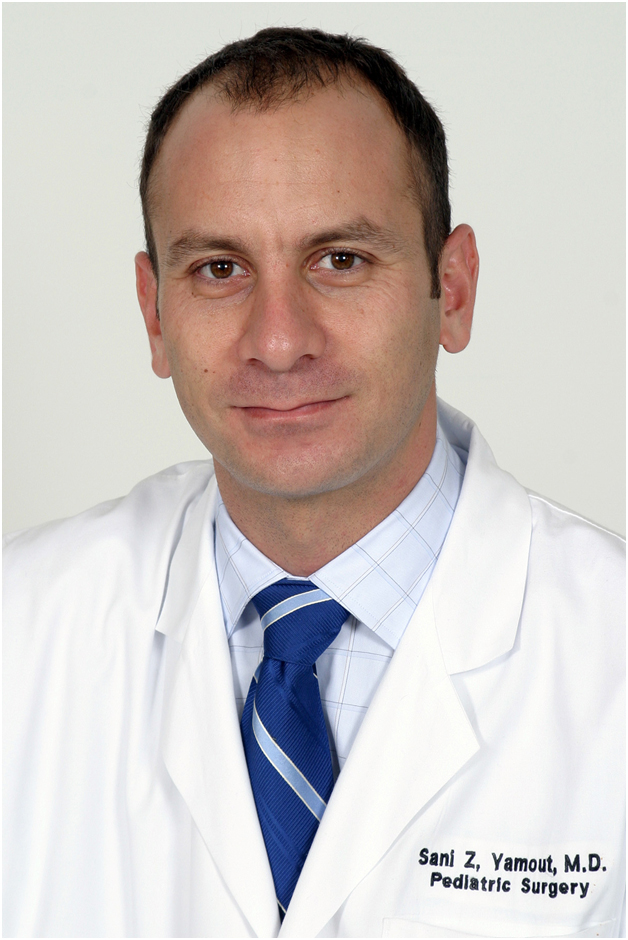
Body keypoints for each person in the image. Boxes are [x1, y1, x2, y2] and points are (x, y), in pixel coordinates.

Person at [3, 26, 624, 940]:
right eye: (219, 269)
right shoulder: (21, 635)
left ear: (452, 291)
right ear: (156, 314)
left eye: (341, 260)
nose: (279, 340)